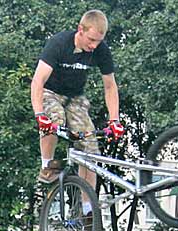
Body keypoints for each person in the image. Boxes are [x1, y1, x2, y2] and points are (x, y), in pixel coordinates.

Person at [30, 9, 124, 205]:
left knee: (90, 147)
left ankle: (89, 211)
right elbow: (38, 81)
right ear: (80, 29)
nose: (93, 46)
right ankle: (47, 166)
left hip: (75, 98)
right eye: (90, 40)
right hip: (50, 92)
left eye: (98, 41)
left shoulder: (100, 50)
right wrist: (40, 114)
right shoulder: (59, 43)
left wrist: (114, 120)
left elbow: (110, 86)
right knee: (54, 119)